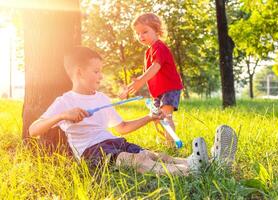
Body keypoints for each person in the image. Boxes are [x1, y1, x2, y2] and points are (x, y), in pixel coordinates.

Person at [29, 46, 237, 175]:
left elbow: (122, 127)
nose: (101, 76)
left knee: (156, 156)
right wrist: (63, 116)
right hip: (91, 153)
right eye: (96, 71)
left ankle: (208, 163)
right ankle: (193, 170)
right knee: (135, 161)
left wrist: (148, 118)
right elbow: (33, 130)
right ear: (79, 72)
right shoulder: (65, 101)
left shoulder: (101, 98)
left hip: (115, 142)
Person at [119, 13, 183, 146]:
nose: (140, 36)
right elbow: (147, 75)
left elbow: (156, 67)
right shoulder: (148, 52)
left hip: (169, 88)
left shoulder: (159, 47)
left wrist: (140, 80)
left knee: (165, 115)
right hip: (158, 92)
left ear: (157, 30)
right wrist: (132, 86)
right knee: (156, 118)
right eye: (138, 33)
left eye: (145, 32)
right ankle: (165, 142)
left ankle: (171, 144)